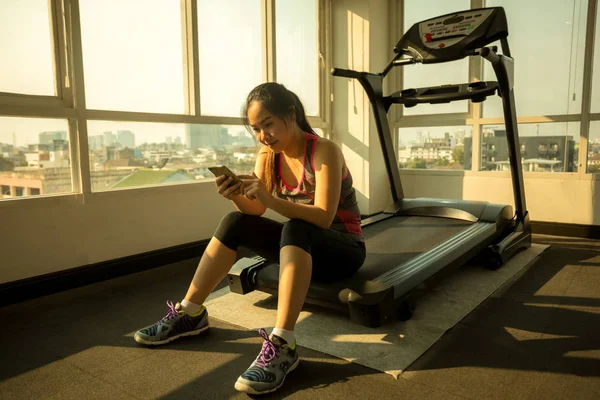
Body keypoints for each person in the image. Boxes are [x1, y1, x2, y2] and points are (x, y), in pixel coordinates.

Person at [133, 82, 366, 395]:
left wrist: (270, 200)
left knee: (294, 227)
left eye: (268, 124)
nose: (263, 136)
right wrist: (235, 196)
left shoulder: (323, 151)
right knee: (235, 221)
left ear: (291, 114)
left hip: (344, 248)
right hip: (305, 244)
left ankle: (283, 343)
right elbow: (255, 210)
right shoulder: (268, 156)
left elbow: (324, 216)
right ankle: (190, 312)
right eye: (256, 129)